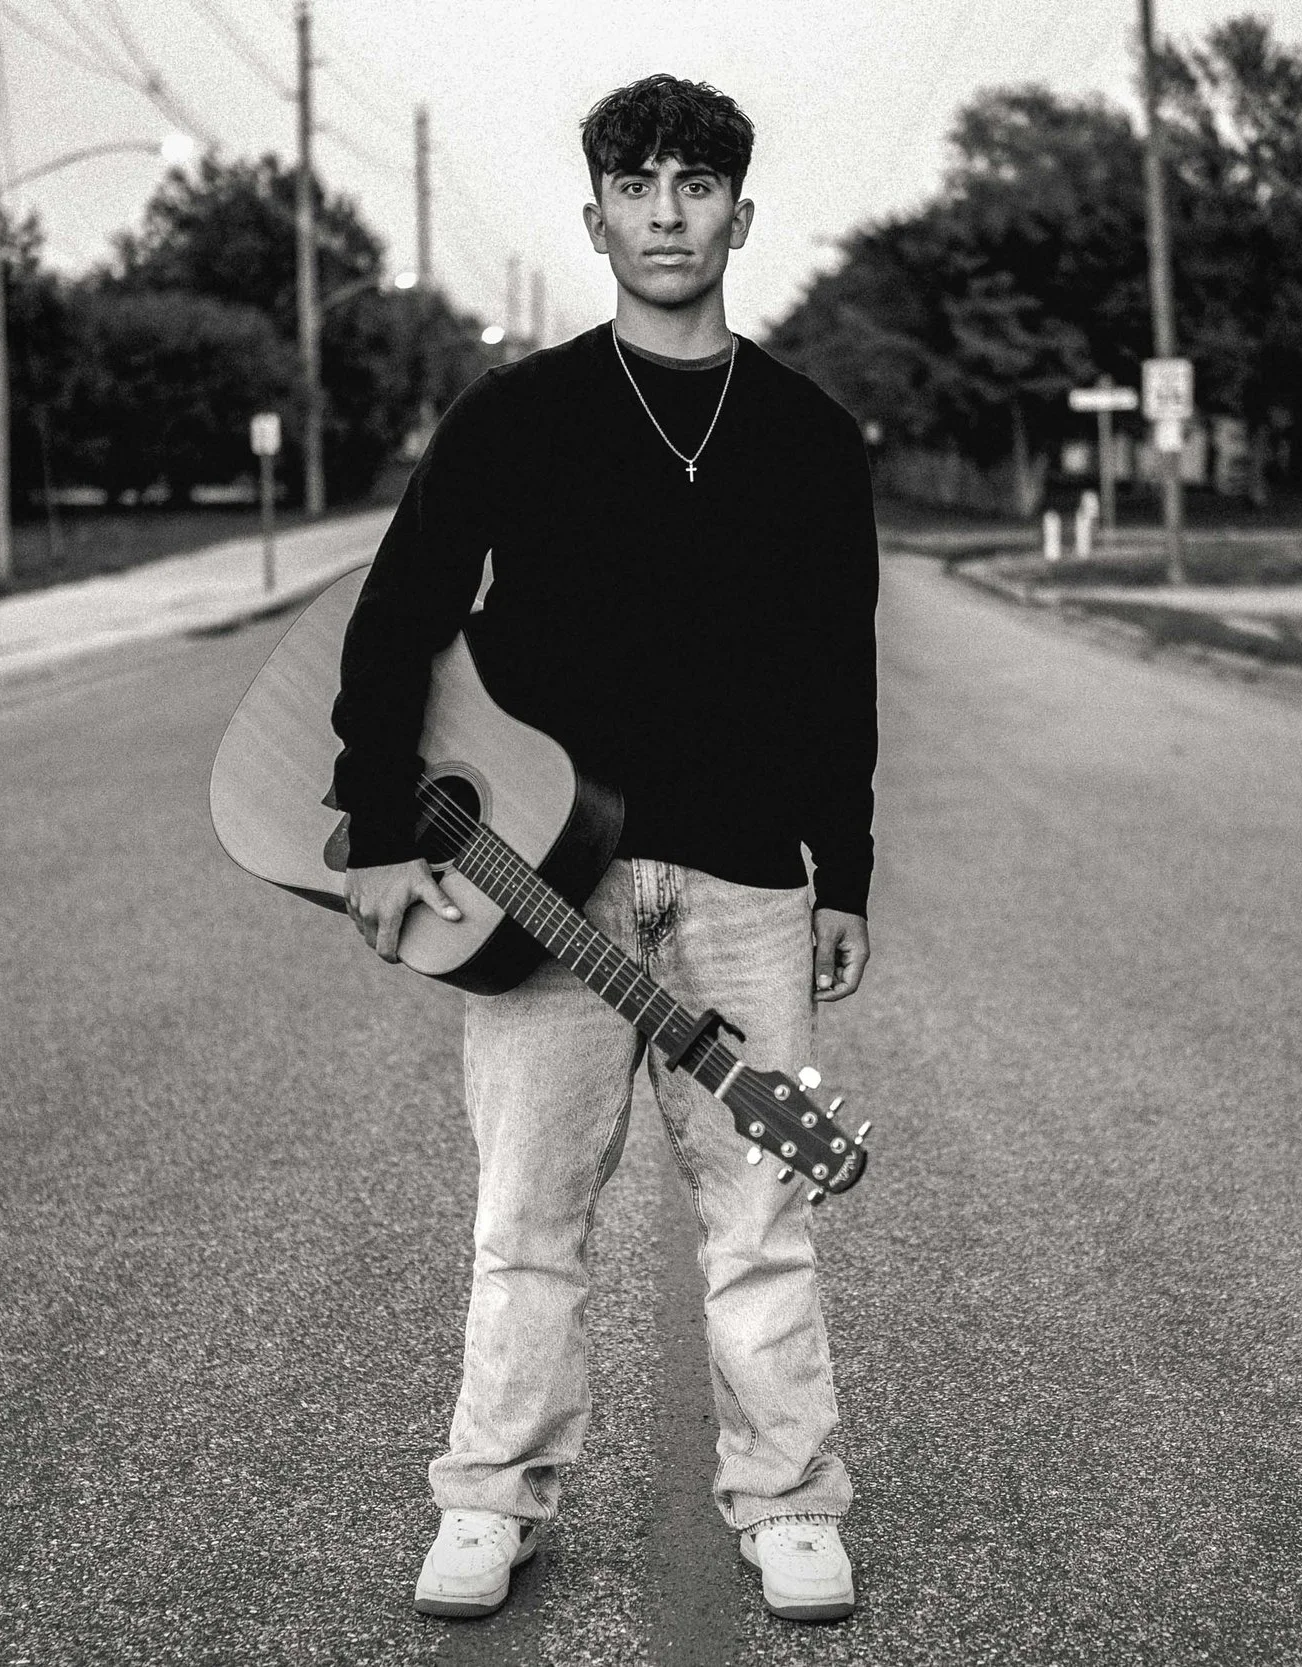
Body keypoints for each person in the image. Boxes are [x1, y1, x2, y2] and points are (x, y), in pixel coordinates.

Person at [328, 73, 879, 1626]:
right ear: (595, 217)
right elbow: (393, 620)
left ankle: (788, 1501)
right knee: (525, 1223)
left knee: (763, 1222)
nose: (664, 209)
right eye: (635, 184)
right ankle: (490, 1499)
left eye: (695, 183)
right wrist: (378, 829)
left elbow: (842, 668)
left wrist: (847, 863)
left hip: (749, 883)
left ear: (740, 215)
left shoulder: (812, 438)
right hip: (536, 886)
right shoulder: (515, 418)